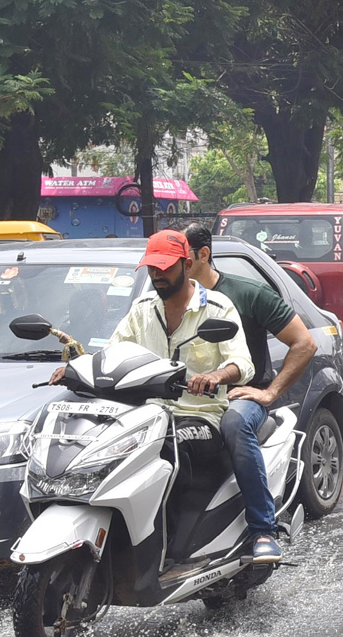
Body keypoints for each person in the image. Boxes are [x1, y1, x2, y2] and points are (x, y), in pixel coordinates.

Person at [47, 230, 268, 559]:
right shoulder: (142, 310)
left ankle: (261, 529)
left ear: (187, 264)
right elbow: (113, 352)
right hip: (145, 415)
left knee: (167, 443)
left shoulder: (217, 307)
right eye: (152, 268)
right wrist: (77, 369)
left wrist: (215, 375)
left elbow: (242, 363)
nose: (157, 275)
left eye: (165, 267)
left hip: (201, 416)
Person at [183, 223, 318, 564]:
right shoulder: (162, 301)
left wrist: (270, 392)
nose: (173, 269)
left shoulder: (247, 294)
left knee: (234, 424)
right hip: (185, 400)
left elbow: (304, 343)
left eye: (183, 260)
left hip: (240, 397)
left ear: (203, 254)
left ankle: (263, 529)